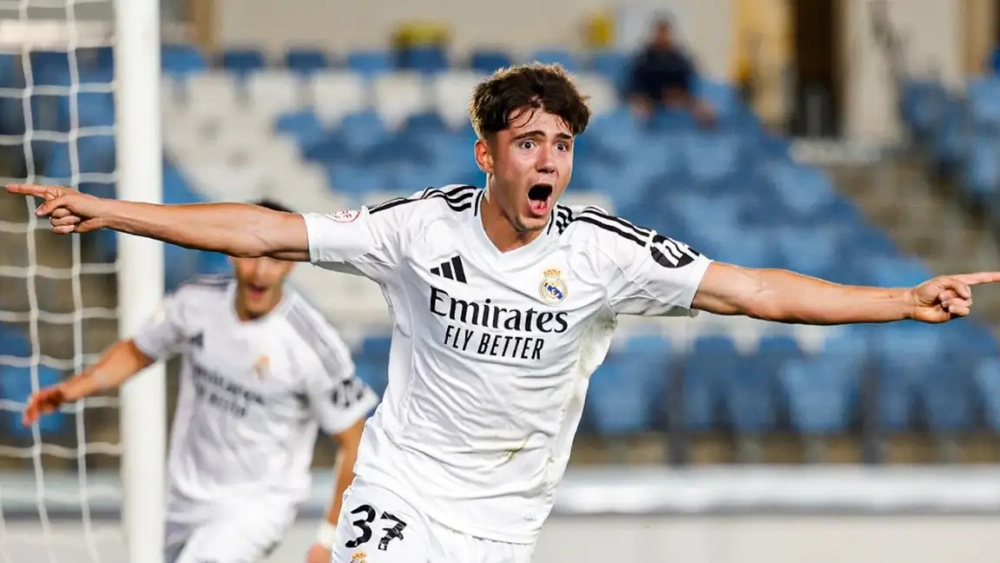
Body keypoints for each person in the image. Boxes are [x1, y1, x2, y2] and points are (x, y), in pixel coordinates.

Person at [8, 63, 1000, 563]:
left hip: (501, 517)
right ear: (487, 153)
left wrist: (896, 299)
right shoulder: (413, 229)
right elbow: (261, 229)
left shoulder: (606, 253)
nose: (549, 160)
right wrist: (109, 208)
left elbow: (758, 289)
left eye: (562, 144)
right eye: (529, 142)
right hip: (398, 483)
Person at [20, 200, 378, 563]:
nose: (260, 272)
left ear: (293, 261)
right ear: (232, 251)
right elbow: (139, 350)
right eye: (252, 255)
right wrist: (72, 389)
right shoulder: (196, 303)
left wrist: (328, 536)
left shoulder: (313, 344)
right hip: (184, 498)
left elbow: (354, 440)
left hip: (256, 506)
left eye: (275, 258)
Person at [626, 18, 716, 126]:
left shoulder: (679, 58)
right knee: (641, 113)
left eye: (666, 34)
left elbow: (688, 78)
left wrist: (680, 94)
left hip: (676, 97)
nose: (663, 37)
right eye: (660, 33)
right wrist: (641, 97)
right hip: (649, 98)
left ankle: (706, 136)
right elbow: (635, 83)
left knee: (705, 110)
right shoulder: (643, 58)